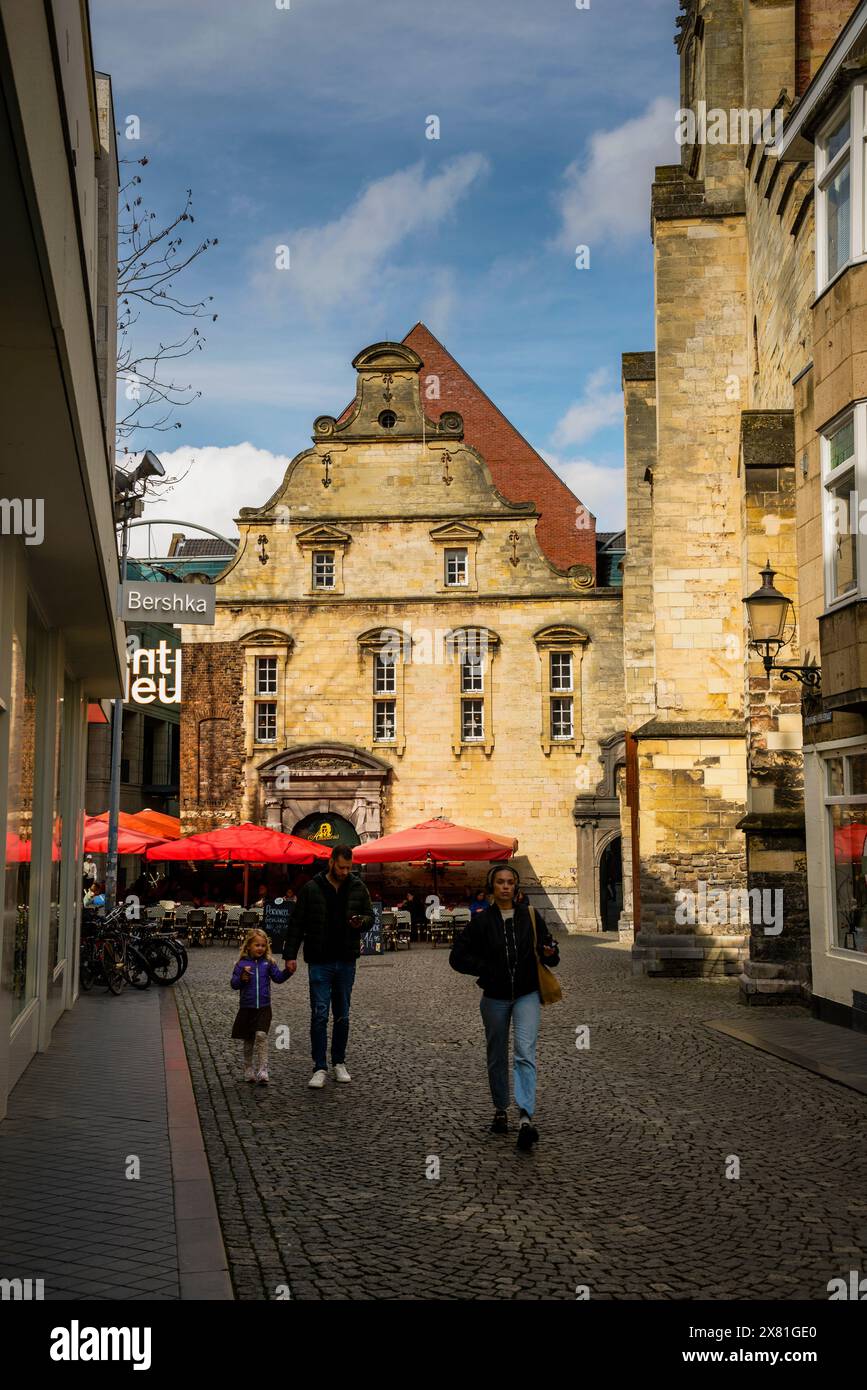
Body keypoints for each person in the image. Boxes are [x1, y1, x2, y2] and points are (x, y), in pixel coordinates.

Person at [449, 863, 559, 1153]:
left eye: (510, 881)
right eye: (500, 882)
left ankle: (525, 1116)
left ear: (516, 887)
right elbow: (457, 957)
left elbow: (551, 955)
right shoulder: (481, 922)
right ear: (492, 888)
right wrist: (486, 970)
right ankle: (500, 1108)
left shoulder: (531, 917)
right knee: (497, 1055)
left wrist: (551, 952)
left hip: (527, 993)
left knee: (525, 1052)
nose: (506, 886)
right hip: (495, 997)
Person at [282, 844, 372, 1089]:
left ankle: (339, 1062)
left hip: (346, 959)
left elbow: (370, 917)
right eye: (341, 867)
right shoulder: (311, 888)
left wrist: (361, 921)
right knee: (320, 1014)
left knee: (342, 1014)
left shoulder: (357, 886)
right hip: (319, 960)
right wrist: (290, 955)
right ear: (331, 862)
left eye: (349, 867)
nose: (345, 871)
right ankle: (319, 1066)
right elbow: (296, 923)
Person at [230, 928, 292, 1084]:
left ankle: (263, 1069)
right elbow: (234, 984)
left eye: (263, 946)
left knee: (261, 1036)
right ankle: (248, 1068)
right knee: (248, 1039)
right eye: (257, 945)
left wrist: (288, 972)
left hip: (264, 1007)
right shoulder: (241, 964)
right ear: (249, 946)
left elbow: (278, 978)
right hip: (247, 1007)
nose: (260, 948)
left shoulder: (268, 963)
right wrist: (242, 978)